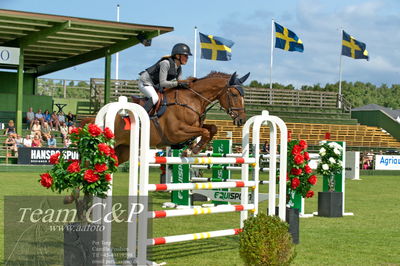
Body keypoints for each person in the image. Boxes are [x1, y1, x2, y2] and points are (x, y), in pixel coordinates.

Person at [138, 43, 192, 113]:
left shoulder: (179, 68)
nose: (187, 58)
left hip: (156, 85)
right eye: (185, 56)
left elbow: (179, 82)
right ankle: (140, 117)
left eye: (187, 56)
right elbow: (163, 83)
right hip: (145, 83)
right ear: (177, 56)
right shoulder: (165, 63)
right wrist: (178, 83)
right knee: (155, 98)